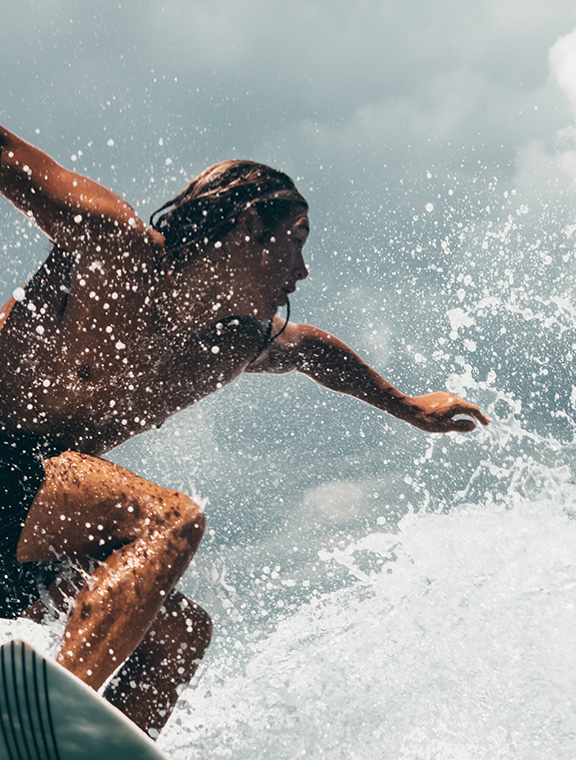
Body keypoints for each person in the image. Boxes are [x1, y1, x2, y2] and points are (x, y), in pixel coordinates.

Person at [0, 124, 490, 737]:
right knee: (170, 520)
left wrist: (410, 408)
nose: (304, 271)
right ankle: (46, 726)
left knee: (180, 636)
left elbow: (311, 352)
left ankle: (80, 746)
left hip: (24, 520)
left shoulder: (226, 344)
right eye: (297, 241)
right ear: (248, 225)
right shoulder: (115, 249)